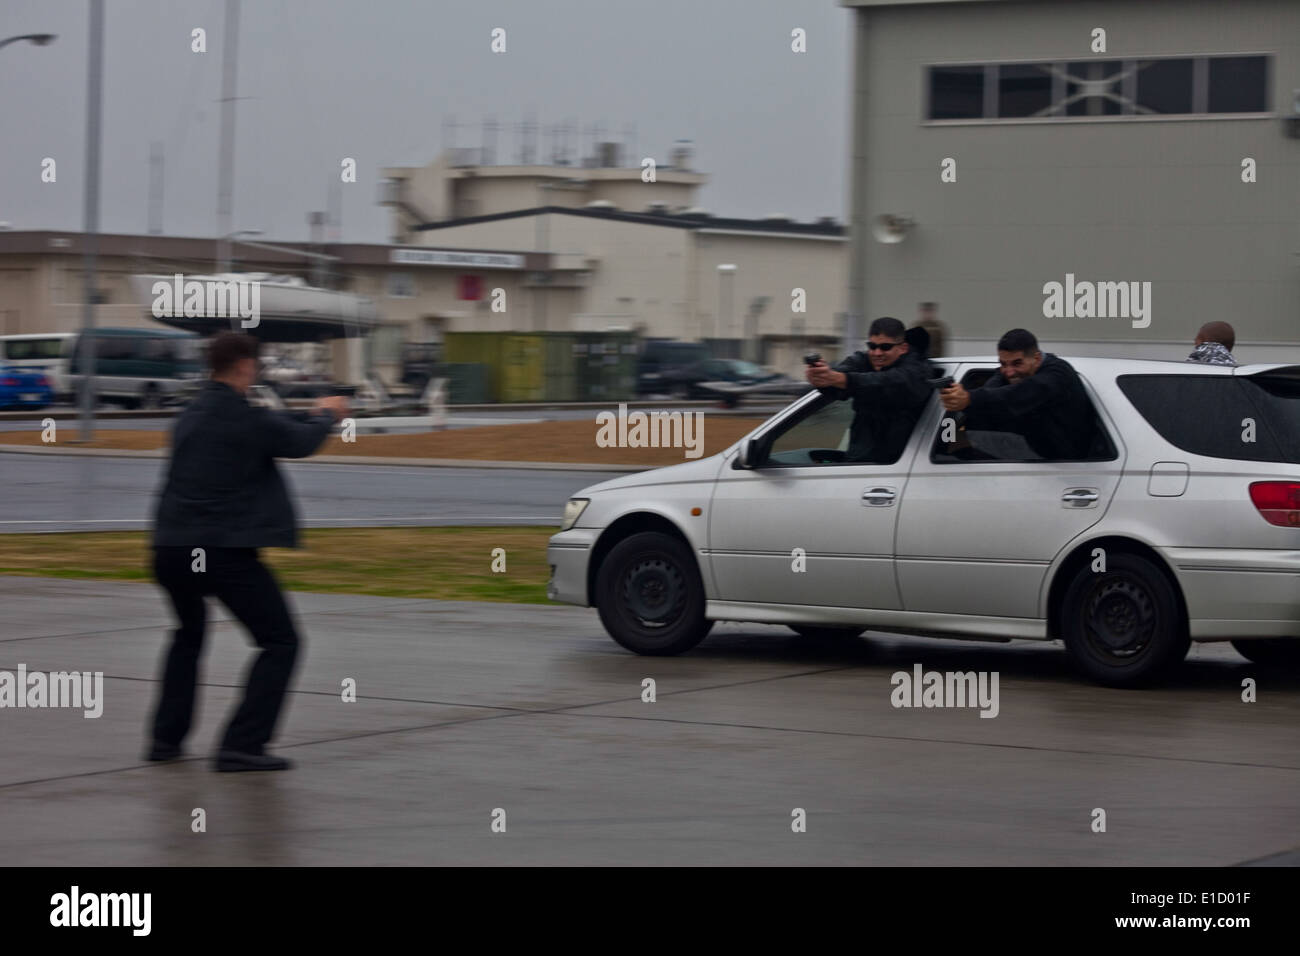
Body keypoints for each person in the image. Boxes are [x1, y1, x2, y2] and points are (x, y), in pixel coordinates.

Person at [146, 332, 349, 772]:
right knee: (281, 640)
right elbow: (296, 442)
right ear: (243, 367)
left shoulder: (190, 415)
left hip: (170, 548)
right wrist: (327, 415)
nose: (257, 373)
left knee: (187, 635)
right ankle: (242, 745)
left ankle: (165, 741)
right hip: (219, 551)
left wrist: (308, 417)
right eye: (255, 366)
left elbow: (274, 430)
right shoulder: (244, 418)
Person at [939, 328, 1095, 460]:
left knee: (959, 441)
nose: (1009, 371)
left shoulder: (1056, 375)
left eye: (1017, 363)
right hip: (1045, 453)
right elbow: (997, 384)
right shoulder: (1027, 370)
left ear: (1037, 358)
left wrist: (969, 399)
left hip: (1059, 460)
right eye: (1003, 364)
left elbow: (1015, 396)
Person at [806, 316, 933, 463]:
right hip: (861, 460)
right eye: (872, 346)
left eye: (885, 347)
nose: (877, 353)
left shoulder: (917, 368)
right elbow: (844, 375)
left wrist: (839, 378)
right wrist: (822, 378)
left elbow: (890, 382)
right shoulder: (863, 360)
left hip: (902, 465)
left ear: (903, 348)